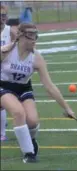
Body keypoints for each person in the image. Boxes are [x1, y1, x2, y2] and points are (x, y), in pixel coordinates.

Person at [0, 23, 75, 163]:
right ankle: (29, 153)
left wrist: (67, 108)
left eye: (36, 36)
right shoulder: (6, 52)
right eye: (30, 36)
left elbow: (49, 86)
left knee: (33, 121)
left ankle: (30, 140)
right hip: (3, 86)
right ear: (20, 36)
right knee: (18, 112)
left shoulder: (37, 58)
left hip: (23, 89)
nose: (34, 40)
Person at [1, 4, 17, 141]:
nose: (2, 18)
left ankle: (2, 133)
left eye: (4, 15)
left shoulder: (10, 31)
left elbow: (17, 48)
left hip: (5, 70)